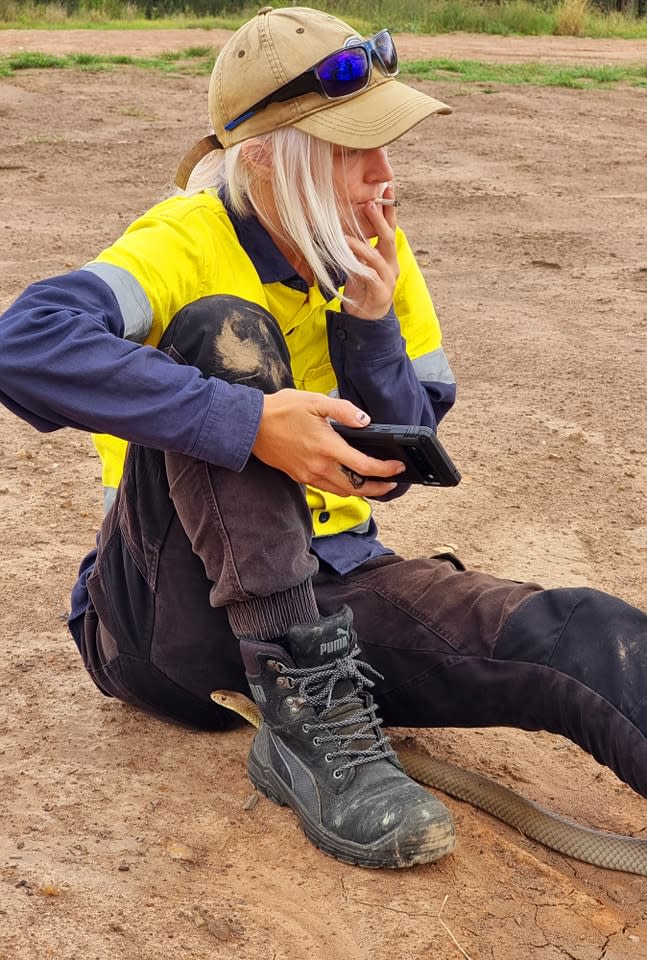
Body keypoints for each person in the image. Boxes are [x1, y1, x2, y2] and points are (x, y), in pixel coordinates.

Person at [0, 5, 645, 870]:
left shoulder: (380, 251)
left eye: (386, 143)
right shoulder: (184, 237)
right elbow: (24, 343)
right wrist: (250, 422)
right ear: (267, 159)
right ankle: (301, 723)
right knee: (226, 332)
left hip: (329, 580)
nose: (383, 174)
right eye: (352, 149)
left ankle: (310, 686)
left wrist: (369, 327)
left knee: (582, 631)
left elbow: (393, 468)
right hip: (165, 623)